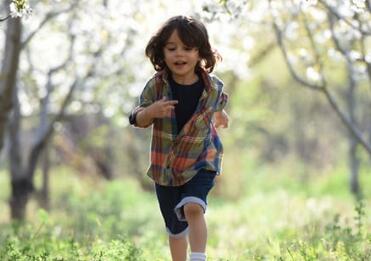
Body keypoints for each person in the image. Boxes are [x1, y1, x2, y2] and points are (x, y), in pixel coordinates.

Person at [129, 15, 229, 261]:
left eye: (187, 48)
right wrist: (151, 112)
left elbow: (217, 103)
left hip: (202, 158)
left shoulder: (213, 87)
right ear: (161, 52)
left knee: (193, 206)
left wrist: (220, 114)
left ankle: (198, 257)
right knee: (175, 229)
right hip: (167, 166)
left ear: (200, 52)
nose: (179, 54)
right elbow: (137, 117)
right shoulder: (156, 86)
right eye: (172, 48)